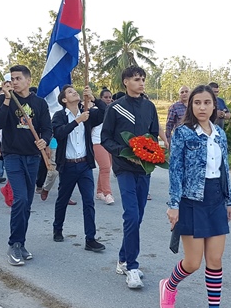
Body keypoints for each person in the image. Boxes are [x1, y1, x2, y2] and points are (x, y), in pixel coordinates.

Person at [161, 85, 231, 308]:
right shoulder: (183, 133)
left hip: (216, 198)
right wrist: (173, 205)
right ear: (191, 106)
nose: (202, 107)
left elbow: (224, 168)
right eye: (197, 103)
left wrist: (228, 200)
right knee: (193, 262)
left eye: (207, 102)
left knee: (215, 260)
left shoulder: (220, 135)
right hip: (190, 200)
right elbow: (176, 171)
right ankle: (169, 286)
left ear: (214, 105)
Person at [101, 66, 160, 289]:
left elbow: (153, 134)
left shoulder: (149, 106)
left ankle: (123, 258)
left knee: (139, 216)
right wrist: (124, 153)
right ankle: (132, 267)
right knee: (132, 215)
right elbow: (105, 138)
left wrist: (148, 152)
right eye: (137, 79)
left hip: (144, 169)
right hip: (124, 168)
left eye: (143, 79)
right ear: (126, 82)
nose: (141, 83)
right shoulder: (115, 108)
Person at [0, 65, 53, 266]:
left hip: (33, 158)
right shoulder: (4, 100)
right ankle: (14, 244)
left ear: (28, 80)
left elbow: (47, 128)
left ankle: (21, 243)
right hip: (13, 156)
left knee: (27, 202)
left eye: (18, 78)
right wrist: (7, 98)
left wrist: (44, 141)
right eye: (12, 78)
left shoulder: (39, 103)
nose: (14, 82)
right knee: (19, 199)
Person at [51, 84, 106, 251]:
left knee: (89, 201)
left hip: (84, 165)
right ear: (64, 99)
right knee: (62, 199)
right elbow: (59, 134)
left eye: (76, 90)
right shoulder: (59, 115)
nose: (75, 92)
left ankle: (90, 238)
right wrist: (77, 121)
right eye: (70, 92)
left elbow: (105, 113)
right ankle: (57, 228)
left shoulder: (88, 113)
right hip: (67, 165)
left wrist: (95, 98)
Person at [93, 88, 115, 205]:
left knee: (105, 168)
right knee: (105, 167)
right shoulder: (96, 110)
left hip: (108, 142)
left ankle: (99, 191)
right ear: (100, 98)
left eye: (110, 97)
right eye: (105, 97)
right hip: (96, 141)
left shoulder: (112, 110)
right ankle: (108, 193)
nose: (108, 99)